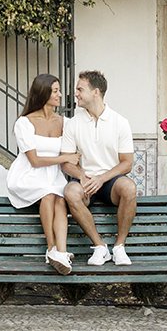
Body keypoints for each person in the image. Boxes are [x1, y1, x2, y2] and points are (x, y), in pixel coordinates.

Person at [59, 70, 137, 266]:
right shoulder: (73, 124)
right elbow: (66, 162)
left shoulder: (120, 122)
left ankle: (119, 248)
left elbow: (127, 162)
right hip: (86, 181)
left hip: (111, 182)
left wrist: (102, 178)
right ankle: (100, 247)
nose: (75, 93)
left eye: (80, 89)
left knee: (129, 188)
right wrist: (82, 175)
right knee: (70, 191)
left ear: (96, 92)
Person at [6, 73, 80, 273]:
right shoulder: (25, 122)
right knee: (48, 194)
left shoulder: (64, 122)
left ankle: (61, 252)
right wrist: (65, 158)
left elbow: (76, 148)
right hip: (29, 174)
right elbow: (34, 160)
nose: (60, 95)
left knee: (60, 199)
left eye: (58, 90)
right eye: (55, 91)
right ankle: (51, 249)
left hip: (53, 175)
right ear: (43, 93)